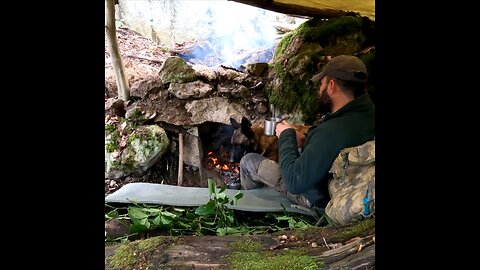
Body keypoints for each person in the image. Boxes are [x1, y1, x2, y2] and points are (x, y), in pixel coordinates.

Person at [238, 55, 375, 211]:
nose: (319, 89)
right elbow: (329, 145)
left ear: (331, 86)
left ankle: (249, 211)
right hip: (352, 188)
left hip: (320, 201)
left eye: (321, 84)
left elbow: (294, 182)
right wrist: (307, 140)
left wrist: (287, 135)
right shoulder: (368, 114)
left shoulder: (330, 133)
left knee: (249, 161)